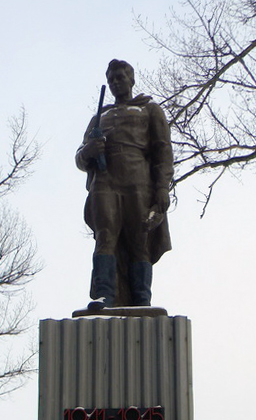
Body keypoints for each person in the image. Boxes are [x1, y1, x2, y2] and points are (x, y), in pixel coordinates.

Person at [76, 59, 173, 310]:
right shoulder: (100, 116)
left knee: (139, 239)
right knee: (105, 237)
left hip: (138, 178)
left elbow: (163, 150)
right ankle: (104, 295)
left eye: (120, 77)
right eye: (111, 79)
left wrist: (162, 188)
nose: (116, 82)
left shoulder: (149, 110)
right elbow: (79, 157)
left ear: (131, 79)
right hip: (105, 180)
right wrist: (89, 150)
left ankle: (142, 298)